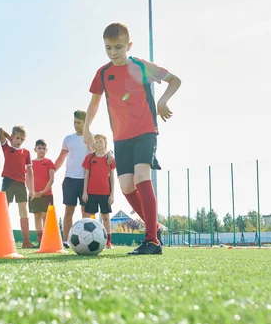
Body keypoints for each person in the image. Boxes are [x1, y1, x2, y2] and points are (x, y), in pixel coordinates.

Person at [83, 22, 182, 255]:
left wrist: (163, 101)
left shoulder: (141, 66)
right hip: (120, 136)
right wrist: (87, 127)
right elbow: (94, 102)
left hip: (145, 130)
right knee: (126, 185)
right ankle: (153, 227)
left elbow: (175, 80)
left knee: (141, 176)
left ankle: (152, 241)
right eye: (108, 48)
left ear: (129, 45)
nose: (113, 53)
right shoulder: (103, 73)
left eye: (118, 47)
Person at [54, 110, 113, 247]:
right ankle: (66, 241)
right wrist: (52, 172)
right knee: (69, 210)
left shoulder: (91, 138)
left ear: (86, 123)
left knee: (86, 211)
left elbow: (102, 150)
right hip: (70, 179)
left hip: (87, 181)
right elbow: (61, 158)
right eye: (74, 122)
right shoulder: (68, 139)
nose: (76, 125)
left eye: (79, 123)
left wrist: (110, 152)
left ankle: (88, 240)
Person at [0, 126, 35, 248]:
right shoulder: (7, 148)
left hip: (20, 184)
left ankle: (26, 242)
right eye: (17, 138)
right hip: (8, 182)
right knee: (4, 210)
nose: (19, 141)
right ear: (13, 137)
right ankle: (2, 239)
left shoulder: (26, 152)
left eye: (22, 139)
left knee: (23, 212)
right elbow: (0, 131)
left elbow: (30, 172)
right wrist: (10, 139)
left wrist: (32, 189)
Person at [82, 134, 116, 249]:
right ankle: (91, 239)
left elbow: (112, 177)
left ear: (105, 143)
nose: (98, 144)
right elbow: (86, 175)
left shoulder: (109, 159)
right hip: (91, 192)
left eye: (100, 141)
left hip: (105, 193)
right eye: (96, 142)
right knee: (91, 216)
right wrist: (84, 192)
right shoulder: (90, 158)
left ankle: (108, 242)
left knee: (106, 217)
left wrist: (112, 194)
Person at [29, 139, 55, 246]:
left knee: (46, 216)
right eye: (39, 148)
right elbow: (28, 178)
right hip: (33, 194)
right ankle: (40, 242)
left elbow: (51, 179)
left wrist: (43, 191)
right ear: (35, 149)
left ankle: (46, 241)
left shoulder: (49, 162)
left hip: (47, 195)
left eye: (44, 148)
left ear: (46, 150)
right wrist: (32, 191)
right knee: (37, 216)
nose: (41, 150)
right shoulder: (30, 164)